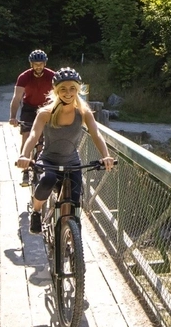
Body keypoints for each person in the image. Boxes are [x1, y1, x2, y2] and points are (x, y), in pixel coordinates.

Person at [15, 67, 115, 235]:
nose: (68, 93)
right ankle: (36, 211)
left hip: (72, 161)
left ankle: (72, 235)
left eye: (72, 89)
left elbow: (96, 135)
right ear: (56, 91)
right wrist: (24, 155)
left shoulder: (84, 113)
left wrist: (106, 156)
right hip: (49, 160)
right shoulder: (45, 113)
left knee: (76, 197)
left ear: (78, 90)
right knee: (47, 180)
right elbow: (33, 135)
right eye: (63, 89)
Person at [9, 49, 54, 186]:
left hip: (46, 108)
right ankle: (25, 169)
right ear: (31, 64)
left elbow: (59, 95)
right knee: (27, 136)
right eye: (36, 64)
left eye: (41, 64)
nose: (38, 67)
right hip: (29, 108)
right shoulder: (24, 77)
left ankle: (39, 165)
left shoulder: (52, 76)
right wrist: (13, 117)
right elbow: (17, 98)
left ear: (45, 63)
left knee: (43, 139)